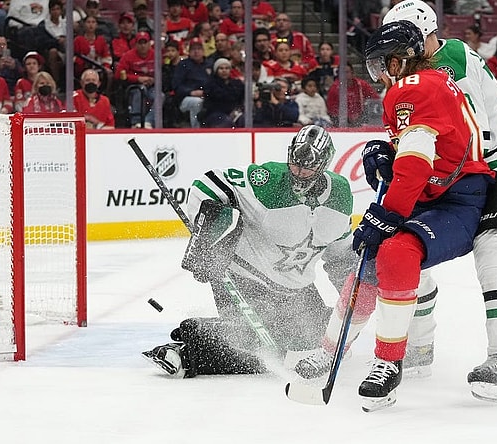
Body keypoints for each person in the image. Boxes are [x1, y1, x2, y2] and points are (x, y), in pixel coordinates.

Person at [298, 1, 497, 406]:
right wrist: (388, 149)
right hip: (442, 176)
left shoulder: (446, 61)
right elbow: (421, 136)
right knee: (398, 253)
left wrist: (399, 174)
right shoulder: (412, 79)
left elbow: (441, 128)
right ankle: (415, 349)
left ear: (420, 37)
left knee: (493, 250)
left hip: (495, 164)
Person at [353, 19, 493, 412]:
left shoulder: (413, 87)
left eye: (381, 64)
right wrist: (385, 151)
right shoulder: (427, 83)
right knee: (377, 258)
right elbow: (418, 146)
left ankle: (390, 359)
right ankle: (336, 349)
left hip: (456, 198)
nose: (377, 74)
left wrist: (387, 213)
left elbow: (418, 163)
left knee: (394, 251)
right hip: (435, 193)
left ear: (398, 62)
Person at [142, 124, 355, 379]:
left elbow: (341, 255)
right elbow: (207, 184)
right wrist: (210, 235)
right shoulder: (267, 180)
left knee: (321, 338)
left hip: (297, 288)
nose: (298, 172)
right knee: (257, 352)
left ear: (324, 165)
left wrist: (351, 291)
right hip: (245, 277)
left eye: (307, 167)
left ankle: (214, 330)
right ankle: (186, 351)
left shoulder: (340, 195)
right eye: (294, 163)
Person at [172, 37, 211, 129]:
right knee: (197, 102)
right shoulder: (183, 65)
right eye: (193, 49)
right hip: (186, 98)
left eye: (198, 49)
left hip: (207, 96)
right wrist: (191, 92)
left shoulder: (209, 64)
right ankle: (196, 130)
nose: (196, 52)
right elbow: (176, 86)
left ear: (203, 50)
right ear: (189, 51)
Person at [325, 61, 379, 127]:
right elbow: (332, 110)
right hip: (342, 121)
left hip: (361, 118)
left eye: (347, 72)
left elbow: (375, 99)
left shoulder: (361, 85)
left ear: (352, 73)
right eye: (342, 73)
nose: (344, 75)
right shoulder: (334, 88)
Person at [202, 57, 245, 127]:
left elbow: (241, 96)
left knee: (244, 120)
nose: (224, 71)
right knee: (227, 122)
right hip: (215, 114)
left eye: (227, 68)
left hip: (234, 112)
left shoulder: (236, 83)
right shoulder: (210, 84)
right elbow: (220, 96)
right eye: (221, 68)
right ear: (216, 70)